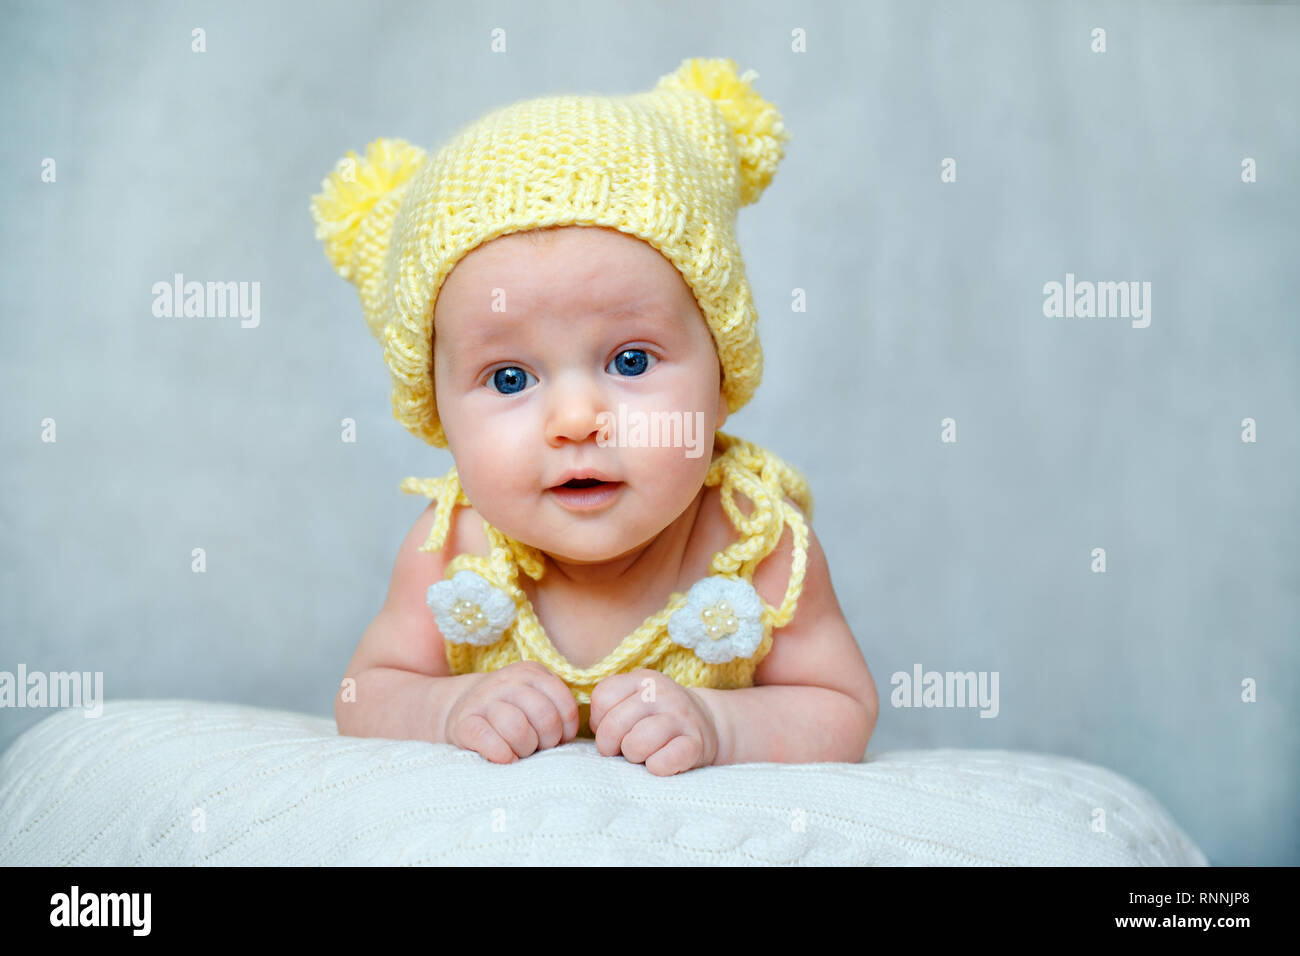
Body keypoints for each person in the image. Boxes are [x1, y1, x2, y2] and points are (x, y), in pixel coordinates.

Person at [312, 57, 878, 776]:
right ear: (439, 415)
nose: (577, 421)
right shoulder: (452, 547)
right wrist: (449, 708)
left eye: (632, 361)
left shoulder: (753, 542)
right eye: (510, 377)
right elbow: (365, 695)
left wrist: (719, 724)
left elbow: (841, 708)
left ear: (722, 378)